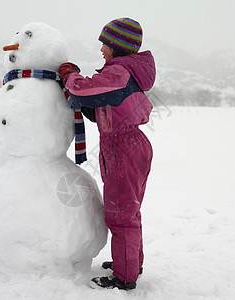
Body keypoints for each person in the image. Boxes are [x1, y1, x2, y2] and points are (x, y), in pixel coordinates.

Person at [58, 17, 155, 290]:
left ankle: (124, 278)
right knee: (129, 211)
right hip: (128, 145)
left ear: (117, 46)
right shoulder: (127, 73)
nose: (101, 50)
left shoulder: (120, 73)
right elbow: (100, 105)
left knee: (121, 214)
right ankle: (131, 262)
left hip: (123, 149)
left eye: (104, 44)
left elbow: (81, 89)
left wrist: (68, 75)